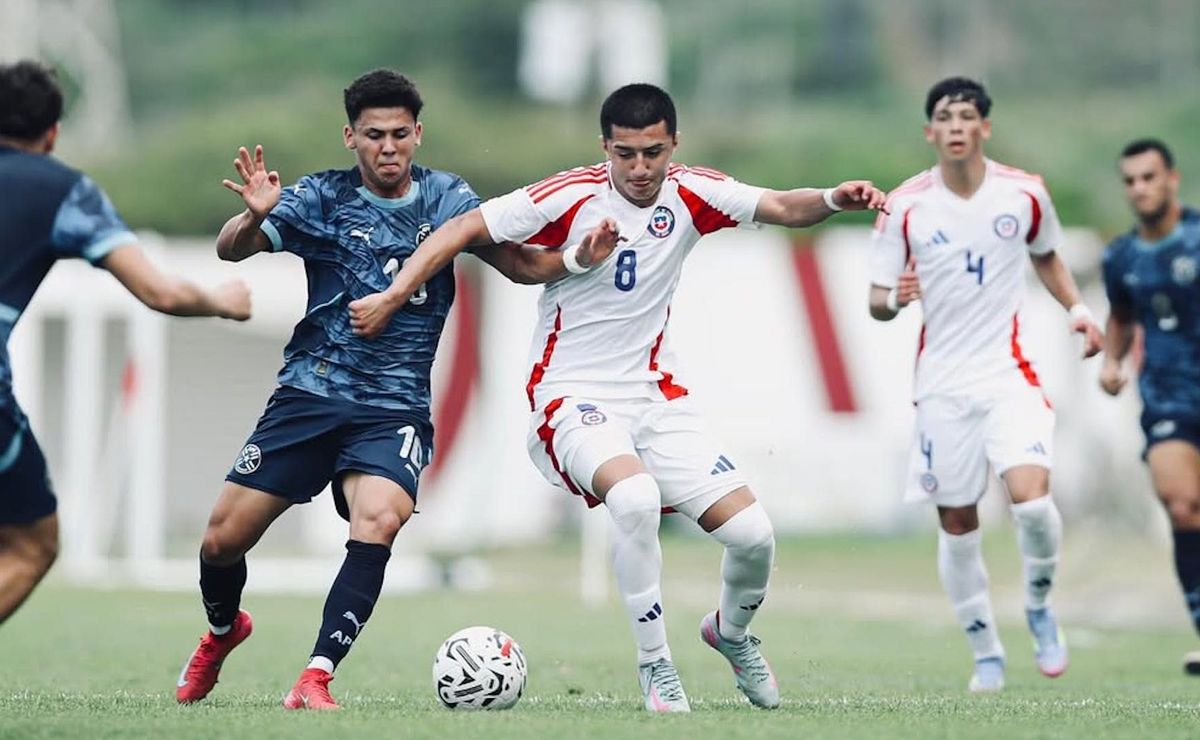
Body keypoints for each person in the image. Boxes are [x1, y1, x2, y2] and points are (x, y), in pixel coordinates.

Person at [349, 82, 886, 712]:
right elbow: (463, 227)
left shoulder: (694, 192)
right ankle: (656, 664)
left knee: (754, 536)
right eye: (625, 153)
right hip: (569, 397)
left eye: (652, 153)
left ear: (673, 144)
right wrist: (393, 296)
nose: (639, 168)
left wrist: (834, 198)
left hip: (657, 400)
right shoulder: (571, 195)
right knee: (634, 498)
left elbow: (783, 206)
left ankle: (731, 634)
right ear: (605, 146)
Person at [172, 69, 614, 711]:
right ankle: (222, 631)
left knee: (379, 520)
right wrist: (252, 217)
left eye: (399, 135)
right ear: (350, 137)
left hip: (394, 408)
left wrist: (578, 258)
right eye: (374, 135)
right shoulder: (320, 196)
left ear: (418, 134)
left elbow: (520, 264)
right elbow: (230, 251)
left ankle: (316, 676)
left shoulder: (448, 199)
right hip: (310, 393)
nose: (388, 147)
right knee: (220, 541)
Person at [868, 77, 1103, 692]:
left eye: (966, 116)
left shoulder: (1024, 194)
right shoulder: (905, 206)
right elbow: (876, 299)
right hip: (942, 388)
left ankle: (1039, 606)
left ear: (984, 128)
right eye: (944, 117)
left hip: (1007, 376)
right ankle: (985, 651)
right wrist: (896, 297)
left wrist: (1078, 310)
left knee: (1033, 504)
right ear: (930, 132)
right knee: (958, 523)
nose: (955, 126)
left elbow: (1046, 254)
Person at [0, 60, 251, 625]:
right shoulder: (63, 191)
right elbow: (160, 291)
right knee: (32, 543)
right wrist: (220, 299)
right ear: (53, 133)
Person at [1099, 138, 1200, 674]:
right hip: (1167, 396)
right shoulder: (1121, 257)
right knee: (1182, 505)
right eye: (1130, 180)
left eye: (1149, 177)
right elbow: (1121, 316)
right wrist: (1111, 361)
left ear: (1171, 179)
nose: (1140, 188)